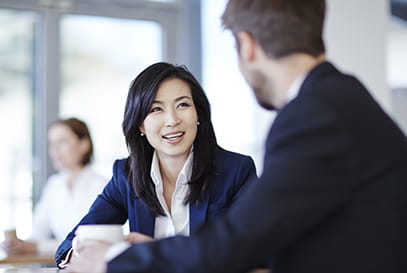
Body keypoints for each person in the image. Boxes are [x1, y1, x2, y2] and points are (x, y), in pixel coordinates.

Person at [61, 0, 407, 273]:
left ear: (247, 45)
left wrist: (117, 257)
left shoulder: (313, 117)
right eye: (155, 110)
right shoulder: (338, 100)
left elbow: (239, 244)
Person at [55, 62, 257, 267]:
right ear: (140, 124)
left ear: (198, 114)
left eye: (183, 105)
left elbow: (248, 249)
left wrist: (152, 253)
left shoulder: (236, 171)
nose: (172, 120)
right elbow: (68, 245)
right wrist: (80, 256)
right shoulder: (126, 176)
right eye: (156, 109)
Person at [1, 118, 107, 256]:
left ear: (84, 144)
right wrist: (18, 245)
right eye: (52, 143)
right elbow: (38, 233)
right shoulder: (54, 185)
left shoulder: (102, 185)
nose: (54, 150)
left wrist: (37, 247)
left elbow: (91, 242)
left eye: (62, 142)